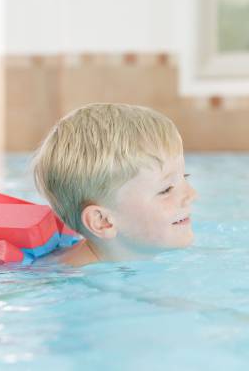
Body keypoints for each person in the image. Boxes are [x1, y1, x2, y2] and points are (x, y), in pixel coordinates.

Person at [33, 103, 197, 266]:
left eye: (185, 177)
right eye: (166, 189)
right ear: (103, 221)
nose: (192, 195)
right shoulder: (80, 284)